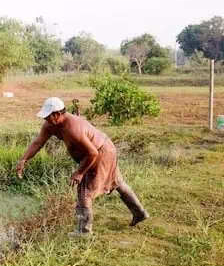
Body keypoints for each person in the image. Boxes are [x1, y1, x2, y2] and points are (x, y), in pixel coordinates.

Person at [15, 97, 149, 234]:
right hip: (103, 149)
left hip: (101, 152)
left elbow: (92, 153)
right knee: (118, 182)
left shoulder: (73, 128)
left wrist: (79, 173)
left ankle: (83, 232)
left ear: (57, 114)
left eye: (48, 116)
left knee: (84, 193)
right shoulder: (51, 125)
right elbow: (38, 142)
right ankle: (139, 213)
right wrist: (23, 160)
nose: (46, 120)